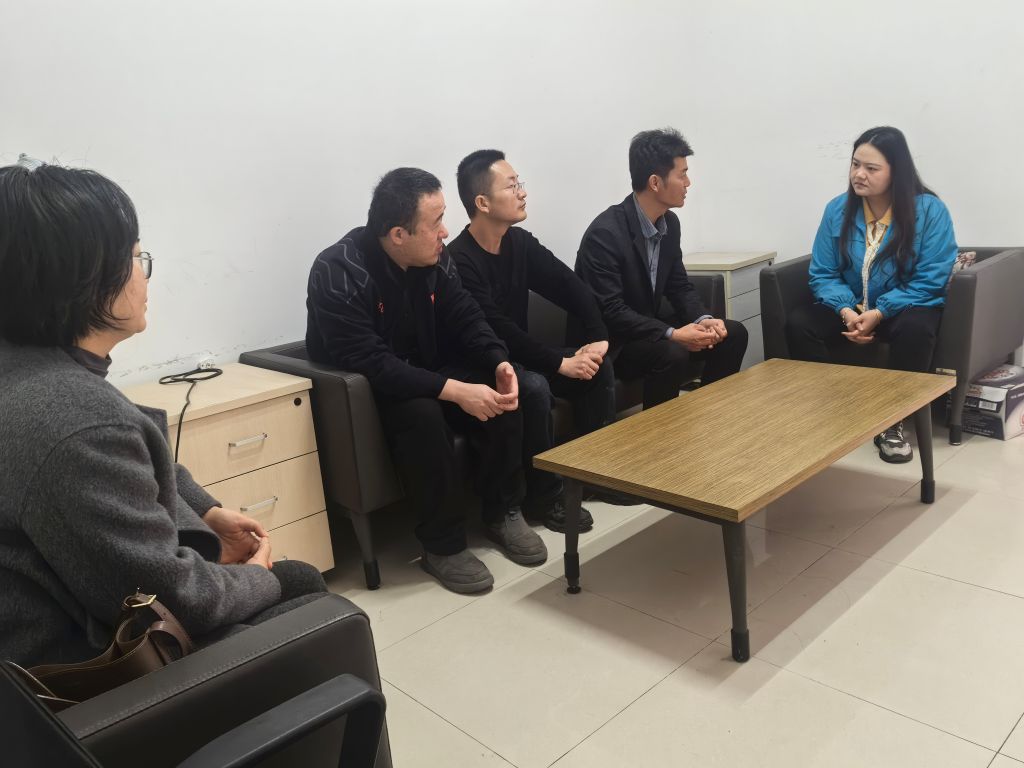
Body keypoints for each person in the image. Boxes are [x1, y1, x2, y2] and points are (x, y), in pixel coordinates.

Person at [0, 160, 327, 669]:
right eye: (134, 257)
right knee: (309, 601)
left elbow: (129, 468)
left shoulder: (33, 370)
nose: (143, 273)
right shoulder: (75, 419)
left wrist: (207, 512)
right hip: (84, 669)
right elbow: (172, 600)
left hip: (61, 617)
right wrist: (257, 577)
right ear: (85, 276)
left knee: (298, 579)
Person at [306, 167, 546, 594]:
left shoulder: (433, 258)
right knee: (422, 413)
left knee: (508, 391)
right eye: (435, 224)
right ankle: (443, 545)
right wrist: (454, 391)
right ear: (398, 234)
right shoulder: (338, 269)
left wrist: (498, 361)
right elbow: (372, 362)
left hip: (426, 367)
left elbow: (466, 314)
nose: (445, 232)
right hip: (368, 390)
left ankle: (503, 512)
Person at [447, 150, 617, 532]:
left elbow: (570, 286)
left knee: (597, 367)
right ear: (482, 203)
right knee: (535, 387)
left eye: (519, 183)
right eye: (512, 186)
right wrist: (560, 363)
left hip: (521, 356)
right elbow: (499, 329)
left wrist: (598, 337)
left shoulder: (519, 243)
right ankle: (545, 498)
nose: (522, 192)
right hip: (484, 365)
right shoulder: (459, 261)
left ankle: (594, 476)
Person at [786, 126, 957, 463]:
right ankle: (830, 410)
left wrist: (879, 312)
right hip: (852, 305)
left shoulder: (930, 211)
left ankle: (893, 422)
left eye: (871, 168)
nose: (859, 175)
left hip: (904, 305)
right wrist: (847, 311)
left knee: (917, 329)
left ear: (896, 171)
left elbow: (931, 279)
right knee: (800, 322)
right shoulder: (837, 209)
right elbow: (823, 273)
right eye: (855, 164)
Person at [576, 128, 748, 408]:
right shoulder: (605, 234)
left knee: (732, 334)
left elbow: (679, 286)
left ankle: (713, 417)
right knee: (671, 352)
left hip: (648, 329)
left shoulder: (670, 223)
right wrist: (673, 334)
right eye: (682, 175)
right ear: (655, 182)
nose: (688, 183)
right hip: (615, 343)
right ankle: (660, 433)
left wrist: (702, 319)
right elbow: (612, 311)